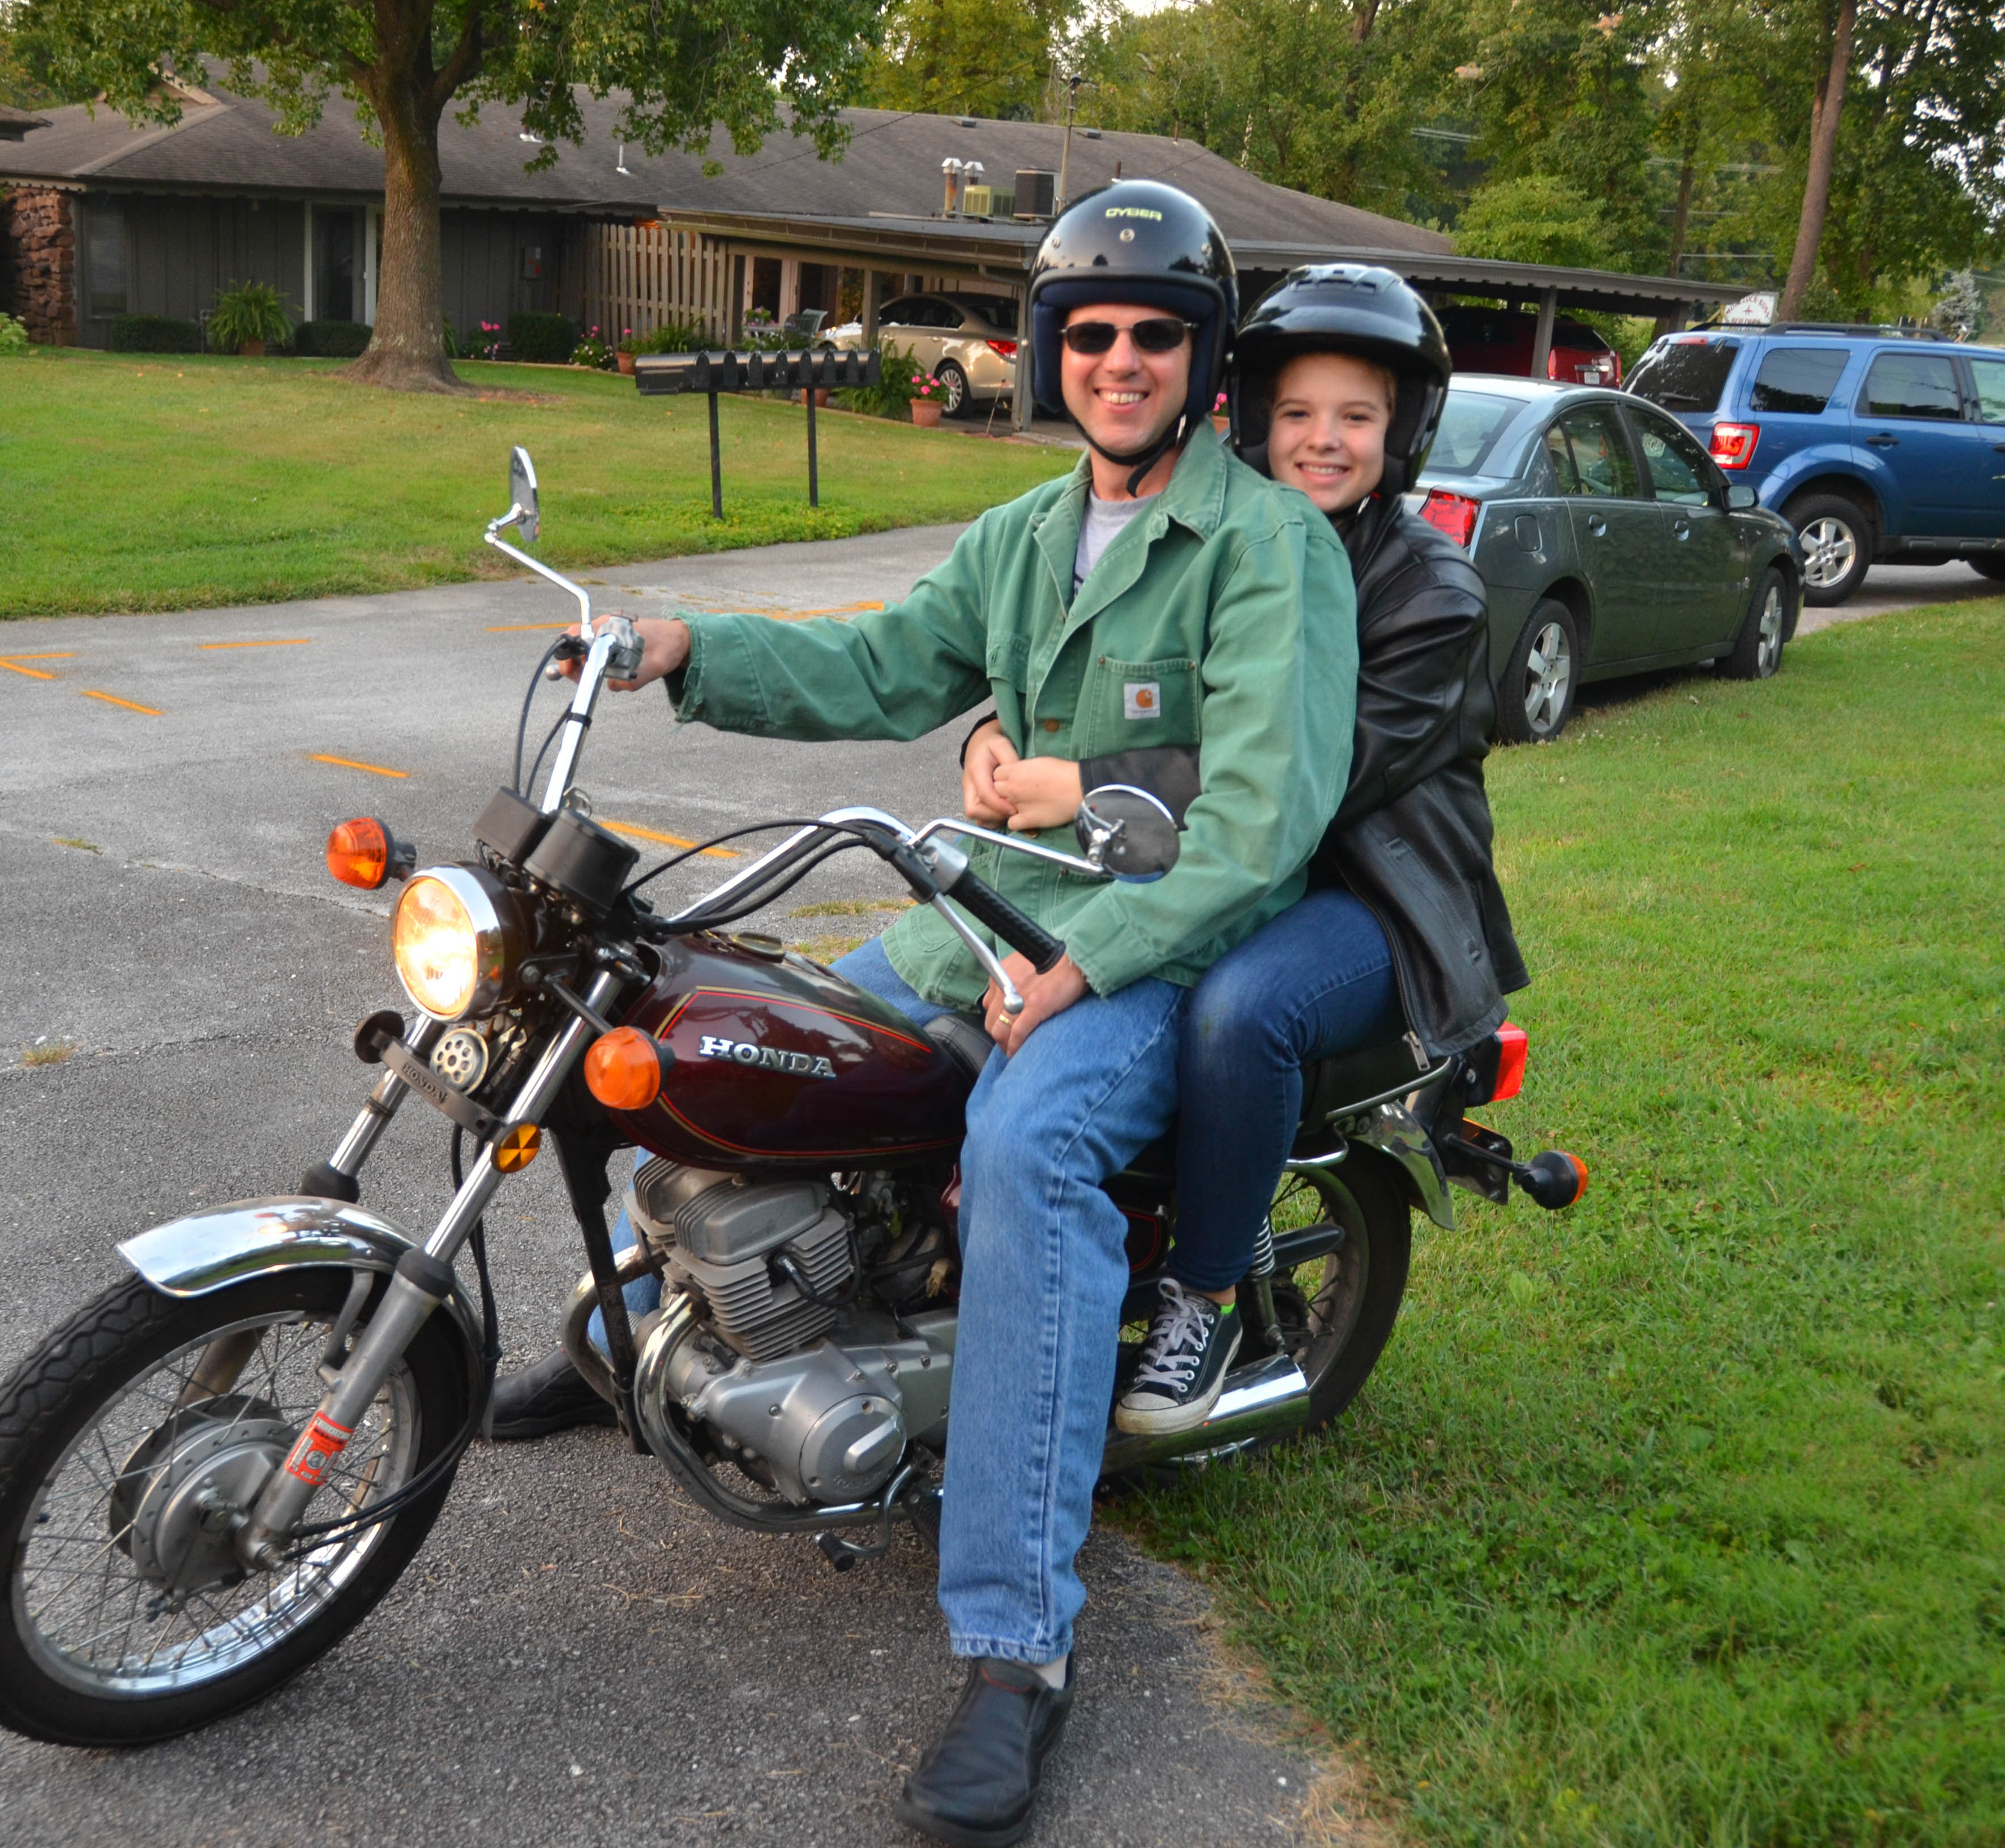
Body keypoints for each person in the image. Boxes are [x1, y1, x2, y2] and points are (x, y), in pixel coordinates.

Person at [496, 183, 1359, 1847]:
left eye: (1154, 334)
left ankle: (1017, 1649)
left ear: (1203, 356)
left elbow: (1259, 824)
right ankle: (661, 1330)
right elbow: (883, 663)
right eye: (1091, 332)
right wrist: (681, 642)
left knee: (1032, 1146)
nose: (1120, 360)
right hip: (988, 923)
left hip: (1145, 950)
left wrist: (1089, 966)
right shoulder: (1031, 536)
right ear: (1052, 351)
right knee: (739, 1023)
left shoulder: (1274, 548)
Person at [961, 264, 1529, 1436]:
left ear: (1404, 430)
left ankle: (1204, 1295)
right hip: (1210, 861)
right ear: (1251, 418)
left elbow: (1310, 785)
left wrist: (1090, 785)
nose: (1323, 443)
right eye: (1297, 416)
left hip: (1364, 894)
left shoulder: (1432, 591)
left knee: (1238, 1008)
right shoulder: (1227, 542)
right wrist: (997, 723)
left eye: (1357, 418)